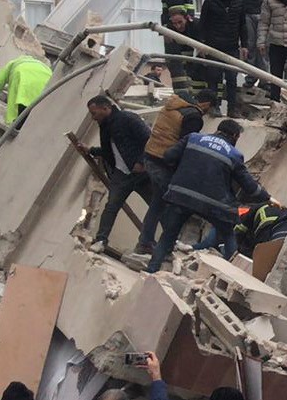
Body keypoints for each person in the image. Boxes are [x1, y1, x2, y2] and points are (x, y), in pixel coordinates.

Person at [147, 120, 269, 272]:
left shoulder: (192, 138)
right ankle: (232, 274)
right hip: (213, 204)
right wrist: (266, 197)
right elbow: (248, 185)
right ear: (235, 136)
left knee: (168, 235)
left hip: (182, 195)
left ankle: (151, 269)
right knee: (228, 234)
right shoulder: (234, 154)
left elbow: (169, 156)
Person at [137, 83, 216, 257]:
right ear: (207, 104)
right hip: (163, 162)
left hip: (150, 155)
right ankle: (159, 244)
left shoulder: (175, 104)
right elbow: (184, 145)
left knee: (157, 204)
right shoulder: (194, 117)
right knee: (166, 206)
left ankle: (148, 242)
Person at [86, 94, 154, 255]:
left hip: (141, 173)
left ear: (106, 108)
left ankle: (168, 243)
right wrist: (91, 150)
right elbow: (110, 150)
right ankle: (101, 240)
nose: (93, 118)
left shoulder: (128, 119)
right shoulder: (105, 126)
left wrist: (142, 162)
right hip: (121, 173)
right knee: (111, 207)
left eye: (94, 113)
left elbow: (150, 140)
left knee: (156, 206)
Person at [196, 0, 248, 111]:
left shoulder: (239, 3)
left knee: (232, 79)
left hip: (232, 47)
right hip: (213, 47)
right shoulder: (209, 2)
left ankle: (232, 109)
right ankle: (214, 107)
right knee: (213, 79)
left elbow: (243, 25)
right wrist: (201, 44)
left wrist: (245, 45)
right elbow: (203, 24)